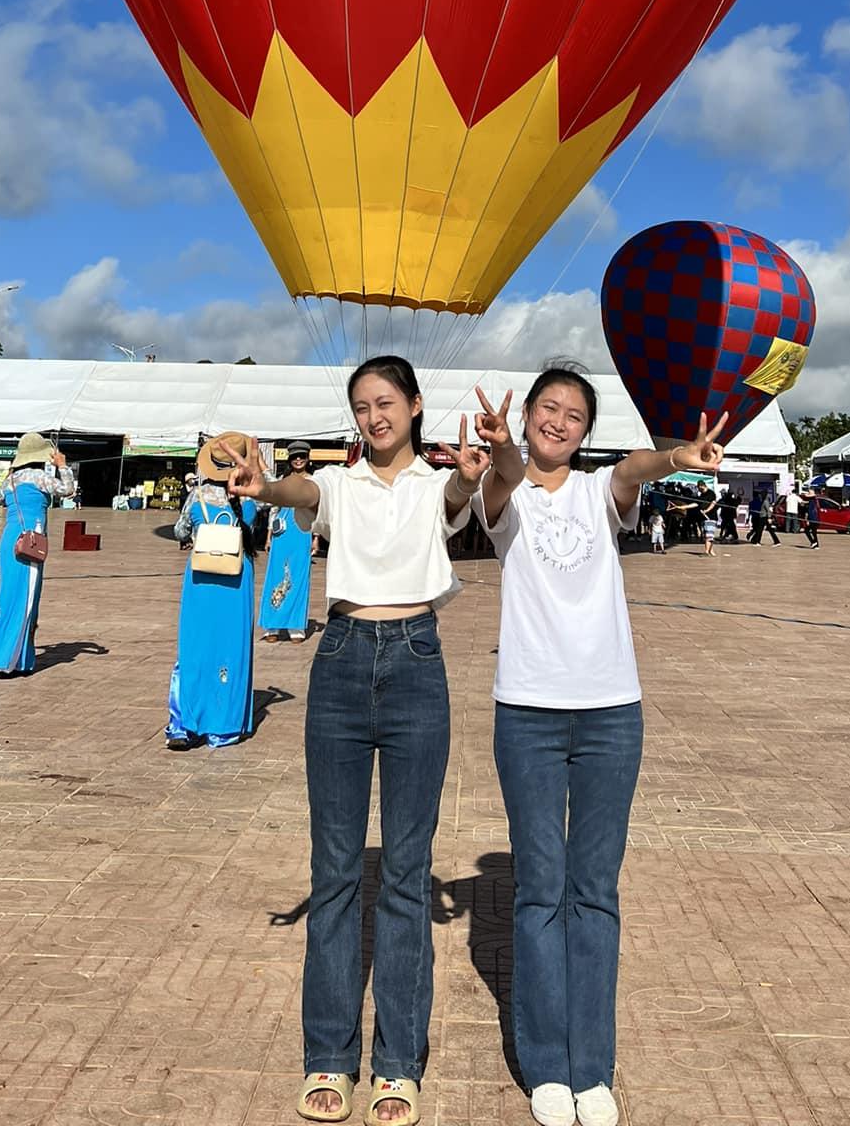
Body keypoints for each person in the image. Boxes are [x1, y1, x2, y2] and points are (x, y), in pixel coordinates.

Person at [215, 356, 488, 1126]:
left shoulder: (439, 483)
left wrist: (472, 471)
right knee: (334, 870)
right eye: (363, 406)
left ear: (414, 406)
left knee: (405, 875)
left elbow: (463, 496)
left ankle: (398, 1064)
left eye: (386, 403)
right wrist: (263, 485)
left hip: (417, 663)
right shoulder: (337, 484)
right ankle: (328, 1057)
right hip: (338, 661)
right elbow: (301, 493)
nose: (375, 417)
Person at [473, 368, 727, 1126]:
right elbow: (505, 478)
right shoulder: (503, 490)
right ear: (527, 420)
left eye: (573, 414)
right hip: (528, 712)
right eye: (547, 409)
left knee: (596, 892)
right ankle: (547, 1065)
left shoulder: (599, 493)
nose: (557, 421)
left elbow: (632, 471)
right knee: (540, 892)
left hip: (612, 711)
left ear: (586, 429)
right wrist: (499, 454)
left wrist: (678, 457)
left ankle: (594, 1067)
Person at [166, 437, 257, 749]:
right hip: (236, 578)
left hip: (201, 576)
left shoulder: (197, 496)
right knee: (231, 648)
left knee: (194, 646)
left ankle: (184, 724)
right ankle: (224, 725)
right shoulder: (249, 499)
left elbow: (179, 531)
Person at [0, 434, 77, 678]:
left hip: (12, 538)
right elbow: (67, 490)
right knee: (26, 598)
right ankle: (0, 660)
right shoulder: (41, 477)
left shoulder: (10, 479)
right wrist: (62, 466)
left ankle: (20, 659)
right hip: (31, 541)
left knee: (9, 594)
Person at [260, 446, 315, 642]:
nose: (298, 460)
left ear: (308, 458)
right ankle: (272, 627)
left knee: (299, 576)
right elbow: (274, 508)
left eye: (302, 456)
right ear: (289, 460)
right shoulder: (283, 481)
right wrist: (268, 536)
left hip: (302, 531)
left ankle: (295, 627)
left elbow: (319, 512)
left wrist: (316, 537)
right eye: (294, 457)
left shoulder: (314, 482)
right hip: (281, 532)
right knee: (276, 573)